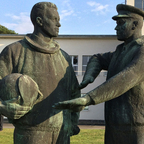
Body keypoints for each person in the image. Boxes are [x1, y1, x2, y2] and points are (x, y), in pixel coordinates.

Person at [54, 4, 144, 144]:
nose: (116, 28)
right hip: (114, 125)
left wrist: (88, 99)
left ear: (135, 24)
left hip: (137, 127)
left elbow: (126, 78)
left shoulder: (142, 49)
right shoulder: (120, 51)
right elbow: (97, 58)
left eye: (120, 23)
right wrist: (89, 76)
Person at [0, 2, 80, 144]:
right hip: (29, 133)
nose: (59, 24)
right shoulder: (14, 51)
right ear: (39, 21)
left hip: (61, 133)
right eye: (55, 20)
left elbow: (74, 93)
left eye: (59, 20)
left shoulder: (64, 57)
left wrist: (72, 122)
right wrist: (3, 107)